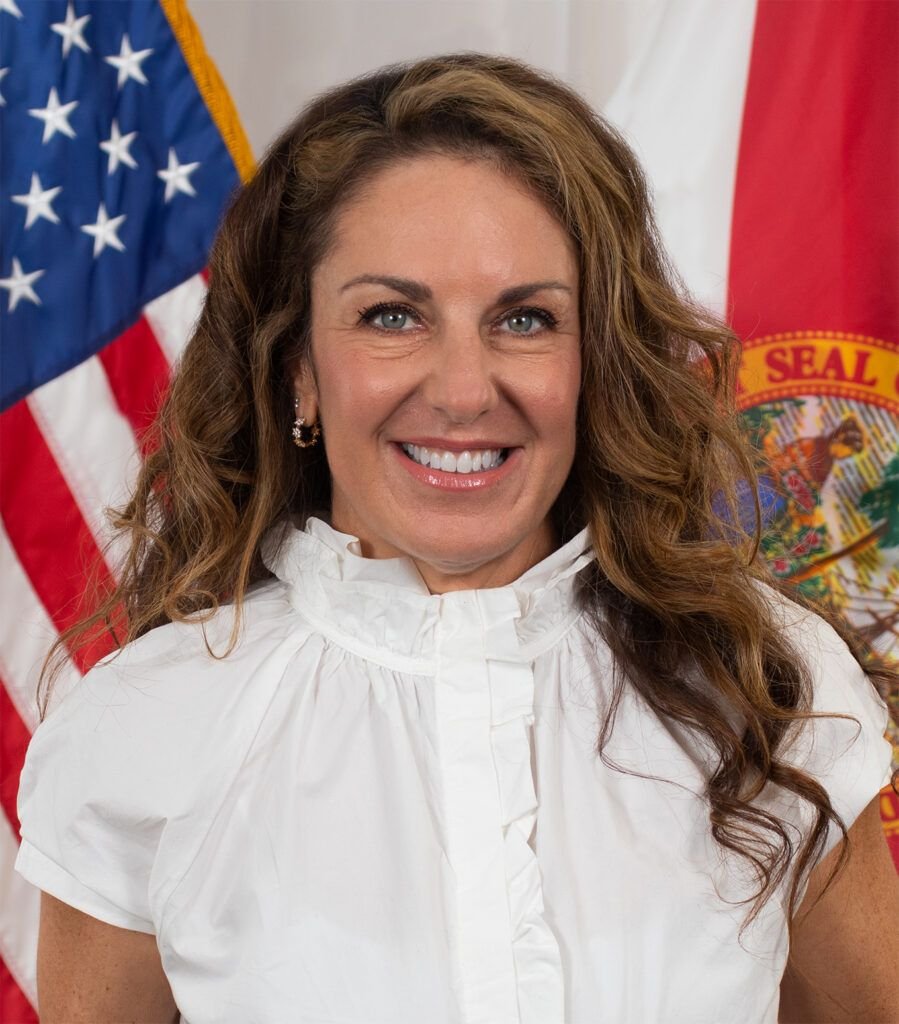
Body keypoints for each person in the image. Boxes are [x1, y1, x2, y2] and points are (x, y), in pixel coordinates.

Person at [15, 53, 899, 1024]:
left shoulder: (765, 681)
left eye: (525, 318)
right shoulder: (143, 726)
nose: (464, 390)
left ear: (594, 360)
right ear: (299, 368)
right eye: (391, 316)